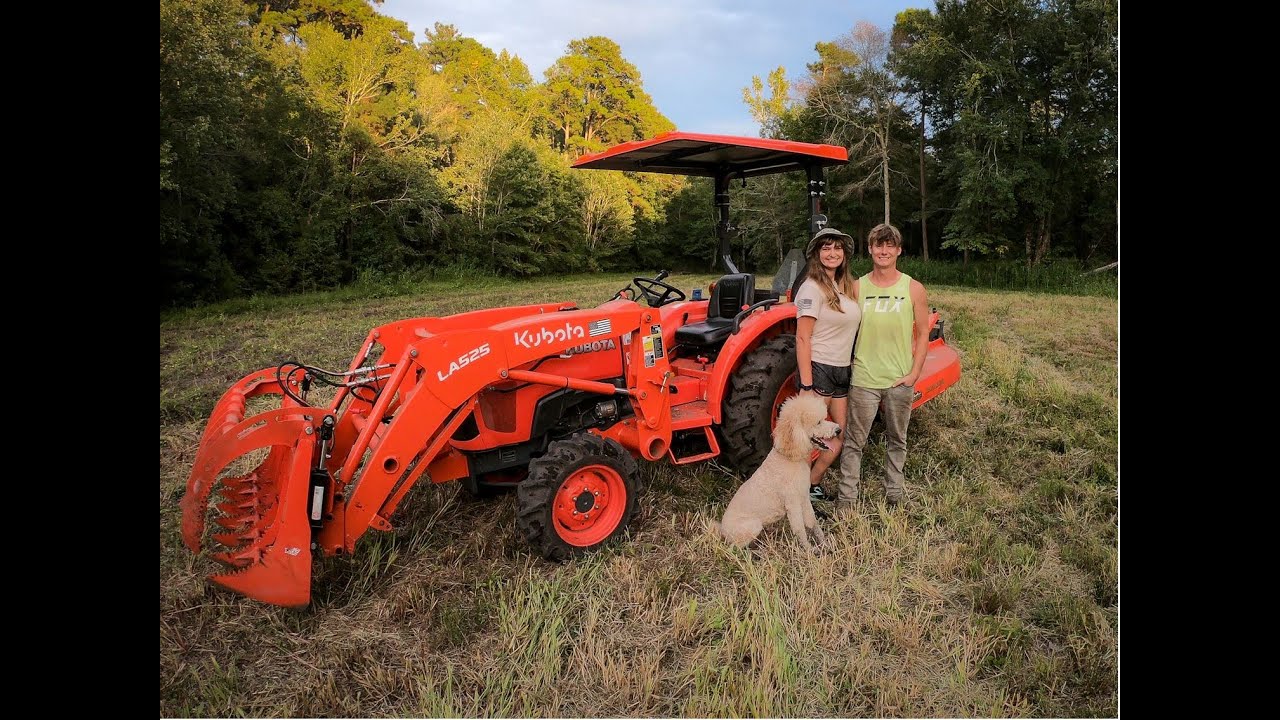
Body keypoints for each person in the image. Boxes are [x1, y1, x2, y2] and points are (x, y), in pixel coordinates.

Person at [837, 223, 929, 510]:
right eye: (879, 245)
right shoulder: (856, 287)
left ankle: (894, 494)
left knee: (897, 440)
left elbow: (924, 332)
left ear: (899, 250)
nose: (884, 250)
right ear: (870, 249)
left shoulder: (913, 288)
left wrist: (913, 373)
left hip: (899, 379)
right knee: (854, 442)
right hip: (864, 377)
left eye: (890, 245)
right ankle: (847, 499)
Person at [792, 227, 861, 502]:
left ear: (844, 255)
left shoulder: (844, 287)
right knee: (810, 436)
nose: (832, 253)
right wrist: (807, 385)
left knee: (837, 435)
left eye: (837, 248)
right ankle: (795, 489)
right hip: (819, 369)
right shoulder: (811, 288)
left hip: (842, 369)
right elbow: (802, 337)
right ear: (817, 254)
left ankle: (811, 483)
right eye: (826, 248)